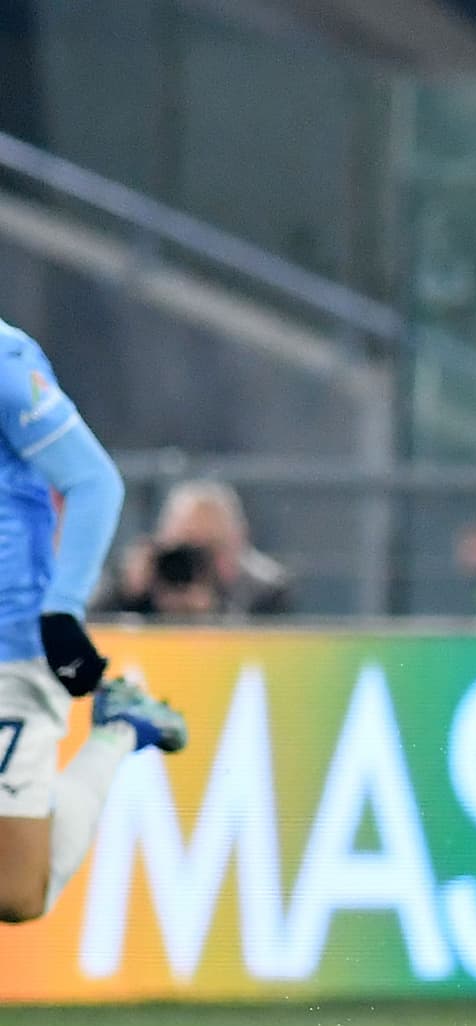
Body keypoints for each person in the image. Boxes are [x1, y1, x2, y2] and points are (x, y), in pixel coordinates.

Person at [0, 318, 188, 924]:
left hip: (12, 644)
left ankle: (121, 730)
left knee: (15, 895)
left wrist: (63, 609)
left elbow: (94, 482)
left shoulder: (7, 361)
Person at [101, 479, 294, 618]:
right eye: (186, 545)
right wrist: (126, 594)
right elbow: (86, 635)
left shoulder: (265, 591)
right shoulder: (140, 579)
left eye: (209, 547)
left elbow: (274, 651)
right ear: (162, 539)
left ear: (238, 543)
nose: (196, 561)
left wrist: (215, 614)